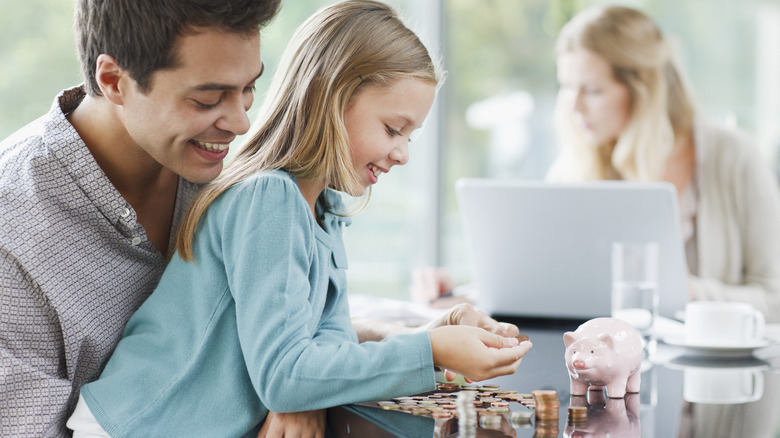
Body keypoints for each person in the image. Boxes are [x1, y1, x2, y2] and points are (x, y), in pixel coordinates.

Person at [65, 1, 533, 436]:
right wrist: (430, 351)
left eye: (410, 135)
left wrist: (436, 334)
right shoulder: (269, 198)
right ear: (331, 99)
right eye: (393, 129)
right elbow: (286, 376)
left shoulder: (321, 213)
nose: (403, 153)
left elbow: (325, 353)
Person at [0, 0, 281, 435]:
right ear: (113, 81)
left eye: (249, 89)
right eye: (208, 99)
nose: (242, 123)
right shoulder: (12, 236)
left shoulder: (229, 174)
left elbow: (277, 318)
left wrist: (297, 393)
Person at [548, 5, 780, 322]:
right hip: (606, 365)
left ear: (644, 89)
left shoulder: (734, 156)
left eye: (593, 90)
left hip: (717, 370)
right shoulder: (573, 168)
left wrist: (690, 292)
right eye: (567, 87)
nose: (574, 106)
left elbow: (775, 299)